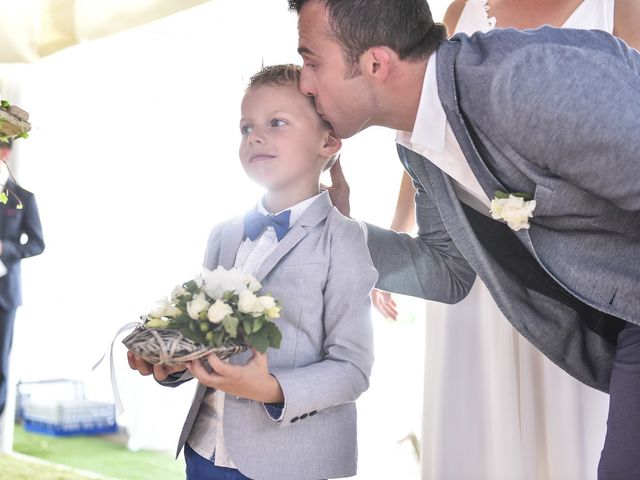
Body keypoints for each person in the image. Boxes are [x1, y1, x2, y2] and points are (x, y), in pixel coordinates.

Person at [289, 0, 640, 478]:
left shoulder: (519, 81)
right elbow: (448, 271)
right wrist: (332, 234)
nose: (304, 84)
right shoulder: (420, 142)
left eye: (312, 62)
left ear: (375, 63)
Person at [127, 64, 377, 480]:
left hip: (288, 462)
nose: (255, 136)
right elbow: (209, 338)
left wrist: (269, 389)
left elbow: (352, 369)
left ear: (328, 141)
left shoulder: (343, 240)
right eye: (246, 128)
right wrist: (171, 361)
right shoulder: (223, 234)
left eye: (276, 123)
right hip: (204, 447)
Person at [0, 139, 45, 417]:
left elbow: (37, 243)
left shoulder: (23, 198)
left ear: (5, 152)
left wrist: (7, 248)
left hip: (5, 293)